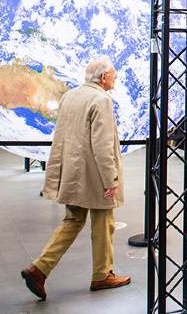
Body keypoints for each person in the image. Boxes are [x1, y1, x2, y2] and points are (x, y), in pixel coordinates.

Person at [22, 58, 130, 301]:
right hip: (94, 175)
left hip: (73, 172)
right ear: (103, 78)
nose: (115, 77)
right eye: (113, 74)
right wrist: (110, 180)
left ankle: (39, 268)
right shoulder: (101, 100)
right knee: (104, 223)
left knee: (72, 220)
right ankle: (102, 274)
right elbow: (102, 145)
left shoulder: (70, 96)